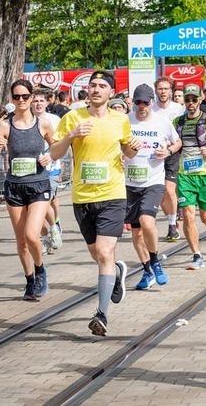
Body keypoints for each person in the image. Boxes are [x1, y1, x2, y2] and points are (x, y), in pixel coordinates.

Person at [50, 70, 142, 336]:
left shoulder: (120, 120)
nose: (96, 89)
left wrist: (133, 147)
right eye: (93, 85)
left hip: (112, 194)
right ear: (87, 91)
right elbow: (55, 152)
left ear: (111, 93)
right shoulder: (72, 118)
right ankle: (117, 271)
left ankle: (101, 314)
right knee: (97, 254)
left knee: (103, 252)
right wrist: (71, 136)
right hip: (82, 196)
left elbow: (128, 151)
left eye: (102, 86)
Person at [0, 79, 54, 301]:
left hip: (39, 184)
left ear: (31, 97)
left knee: (31, 235)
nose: (21, 101)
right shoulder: (4, 125)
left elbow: (55, 145)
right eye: (16, 97)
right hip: (15, 187)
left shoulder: (43, 123)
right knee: (21, 241)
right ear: (11, 99)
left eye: (25, 97)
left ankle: (40, 270)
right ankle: (29, 279)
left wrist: (50, 155)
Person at [125, 84, 181, 289]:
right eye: (137, 102)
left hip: (153, 181)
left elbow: (177, 142)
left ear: (151, 102)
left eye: (145, 103)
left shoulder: (162, 122)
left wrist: (168, 152)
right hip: (129, 183)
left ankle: (155, 261)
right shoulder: (125, 122)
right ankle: (147, 270)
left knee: (147, 222)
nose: (141, 106)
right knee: (136, 232)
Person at [174, 83, 206, 269]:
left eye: (194, 99)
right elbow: (173, 142)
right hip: (185, 175)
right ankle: (196, 255)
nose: (190, 103)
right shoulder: (177, 122)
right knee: (188, 214)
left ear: (200, 100)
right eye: (187, 100)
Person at [151, 77, 185, 242]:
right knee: (162, 193)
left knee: (169, 190)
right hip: (155, 154)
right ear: (156, 90)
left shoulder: (179, 109)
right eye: (160, 89)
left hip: (172, 151)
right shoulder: (151, 109)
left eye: (166, 89)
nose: (163, 92)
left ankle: (172, 225)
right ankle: (173, 215)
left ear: (171, 91)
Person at [31, 90, 63, 253]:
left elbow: (59, 143)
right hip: (30, 170)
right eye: (35, 100)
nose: (38, 103)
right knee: (34, 207)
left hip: (50, 168)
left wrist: (51, 157)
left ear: (47, 103)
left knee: (45, 202)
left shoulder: (54, 120)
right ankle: (45, 236)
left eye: (41, 101)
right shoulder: (25, 119)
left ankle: (53, 226)